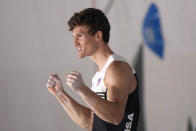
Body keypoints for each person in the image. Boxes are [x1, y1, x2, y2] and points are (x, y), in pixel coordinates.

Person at [46, 8, 140, 131]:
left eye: (79, 36)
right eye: (74, 37)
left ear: (98, 36)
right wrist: (60, 94)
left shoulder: (117, 68)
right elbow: (91, 123)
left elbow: (116, 116)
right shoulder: (99, 75)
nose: (75, 43)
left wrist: (82, 89)